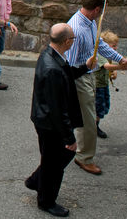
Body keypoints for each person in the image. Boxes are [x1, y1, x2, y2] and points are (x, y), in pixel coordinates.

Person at [25, 23, 94, 218]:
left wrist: (84, 67)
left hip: (46, 119)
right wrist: (69, 138)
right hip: (50, 124)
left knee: (54, 160)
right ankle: (46, 201)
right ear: (66, 41)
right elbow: (57, 110)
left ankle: (36, 180)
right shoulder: (52, 68)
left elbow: (67, 73)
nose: (74, 41)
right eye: (73, 38)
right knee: (54, 164)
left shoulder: (51, 54)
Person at [66, 0, 127, 175]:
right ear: (96, 9)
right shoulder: (77, 29)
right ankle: (83, 158)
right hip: (79, 78)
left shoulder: (90, 22)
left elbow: (100, 44)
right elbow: (70, 64)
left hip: (87, 75)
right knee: (88, 121)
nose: (102, 14)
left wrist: (120, 59)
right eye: (101, 11)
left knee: (83, 117)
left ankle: (74, 147)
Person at [94, 31, 121, 139]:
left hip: (103, 84)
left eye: (116, 45)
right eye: (113, 46)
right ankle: (94, 127)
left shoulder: (108, 56)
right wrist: (120, 67)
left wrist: (113, 74)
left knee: (104, 105)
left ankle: (94, 124)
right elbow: (106, 66)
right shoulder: (99, 54)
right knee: (98, 107)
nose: (115, 48)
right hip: (97, 86)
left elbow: (109, 68)